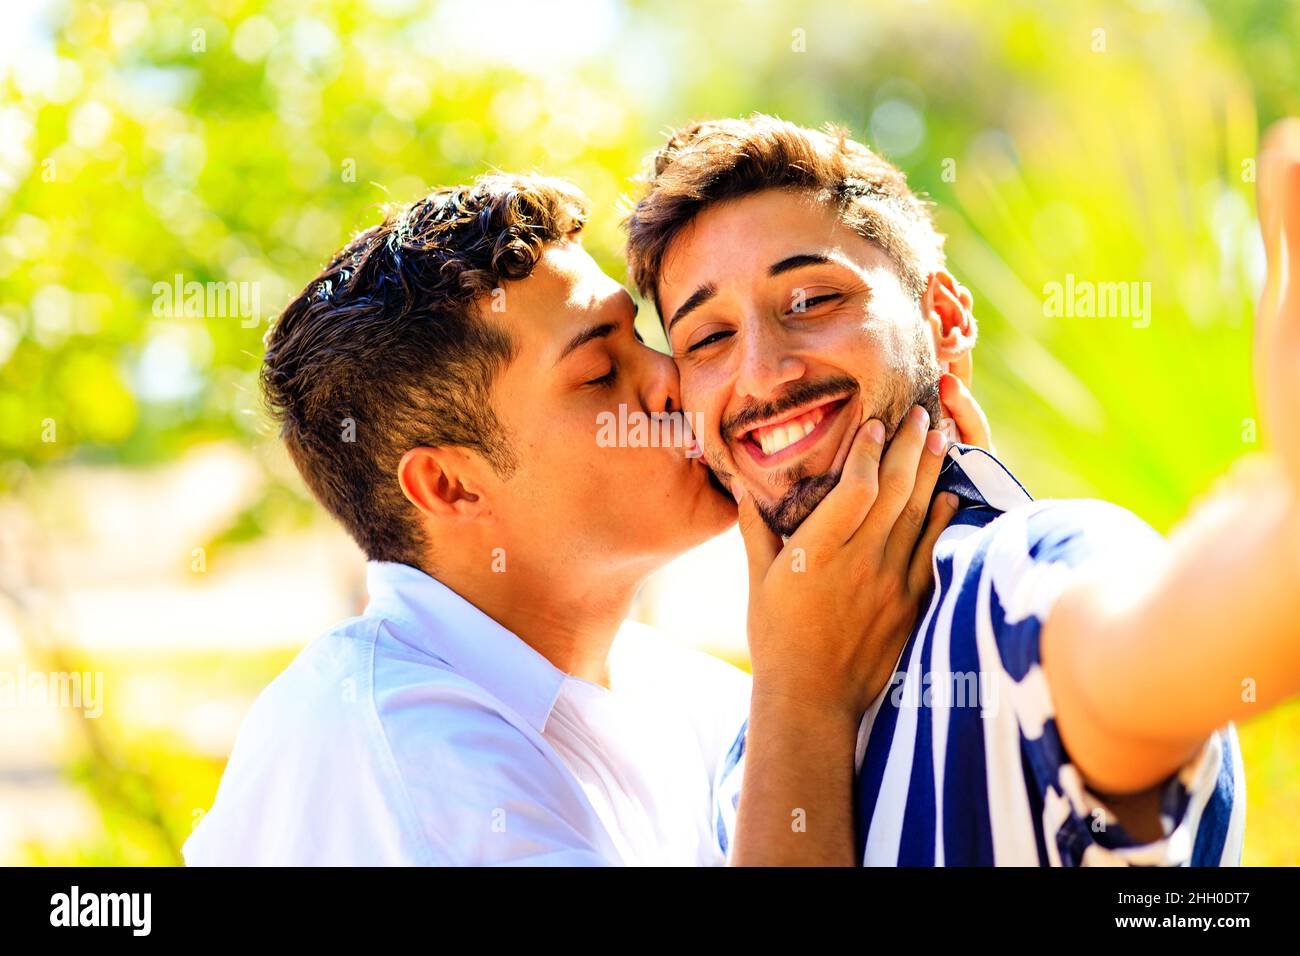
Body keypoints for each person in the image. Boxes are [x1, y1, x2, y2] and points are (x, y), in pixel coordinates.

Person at [182, 173, 989, 865]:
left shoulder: (685, 699)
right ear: (452, 487)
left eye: (641, 336)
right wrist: (804, 699)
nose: (677, 379)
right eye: (602, 371)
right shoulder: (399, 759)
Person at [623, 113, 1300, 865]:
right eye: (708, 339)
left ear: (942, 320)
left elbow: (1179, 636)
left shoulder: (1027, 577)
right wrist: (794, 696)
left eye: (813, 300)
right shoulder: (743, 751)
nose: (759, 371)